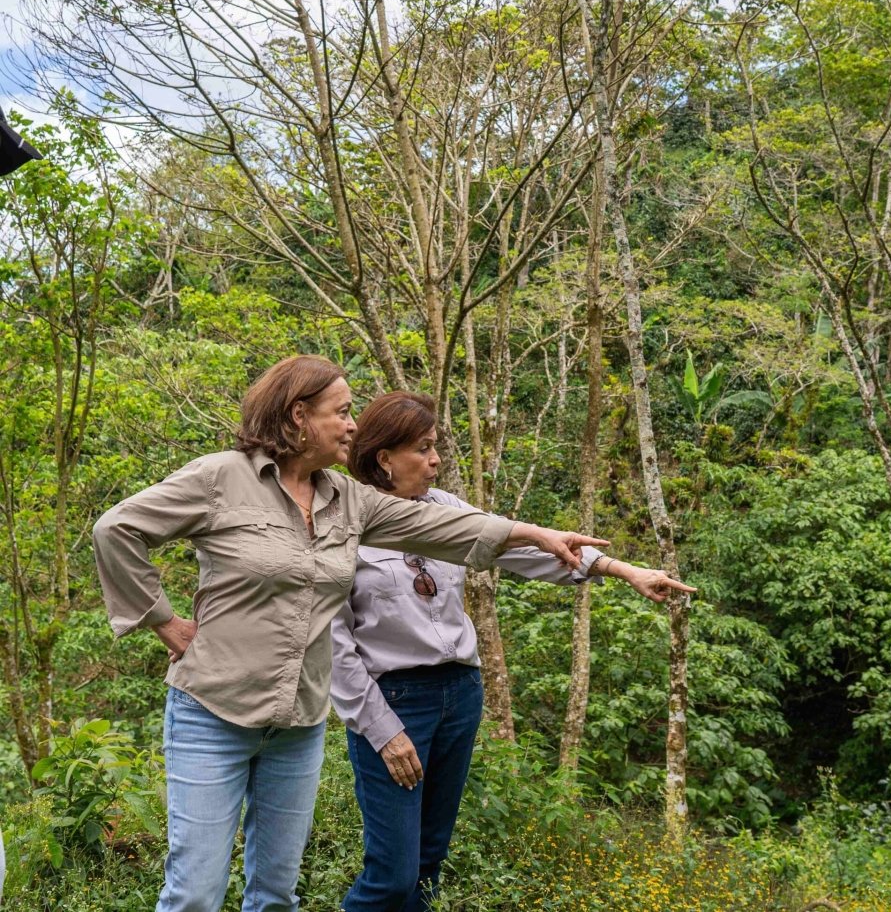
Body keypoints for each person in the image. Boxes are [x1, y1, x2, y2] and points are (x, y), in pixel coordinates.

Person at [92, 356, 604, 912]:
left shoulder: (348, 499)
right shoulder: (221, 478)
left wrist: (533, 532)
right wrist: (162, 620)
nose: (353, 425)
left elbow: (442, 525)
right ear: (299, 416)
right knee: (195, 894)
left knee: (276, 895)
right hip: (213, 711)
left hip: (299, 722)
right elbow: (117, 529)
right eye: (342, 412)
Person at [331, 391, 695, 912]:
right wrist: (382, 729)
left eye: (436, 447)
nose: (436, 460)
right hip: (393, 700)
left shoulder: (446, 510)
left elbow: (529, 547)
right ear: (384, 457)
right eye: (422, 449)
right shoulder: (344, 523)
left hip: (458, 693)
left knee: (428, 864)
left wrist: (626, 571)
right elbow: (335, 643)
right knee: (392, 873)